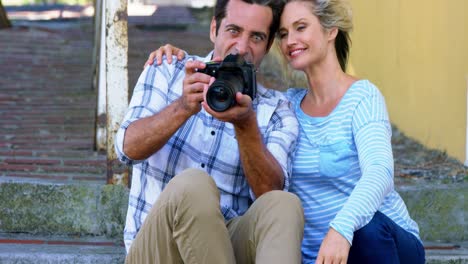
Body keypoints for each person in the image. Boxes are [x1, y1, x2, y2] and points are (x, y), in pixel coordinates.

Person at [148, 0, 426, 263]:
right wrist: (178, 55)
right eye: (283, 33)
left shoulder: (363, 97)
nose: (290, 40)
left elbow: (380, 173)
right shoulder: (286, 106)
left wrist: (341, 229)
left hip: (378, 242)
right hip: (316, 255)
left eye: (301, 27)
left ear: (331, 30)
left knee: (367, 231)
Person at [115, 0, 304, 263]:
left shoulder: (277, 110)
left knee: (285, 205)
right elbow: (126, 149)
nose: (241, 47)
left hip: (225, 245)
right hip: (158, 248)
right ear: (214, 29)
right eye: (234, 30)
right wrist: (182, 107)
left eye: (256, 37)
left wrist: (246, 126)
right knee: (193, 185)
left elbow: (269, 193)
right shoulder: (169, 69)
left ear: (268, 45)